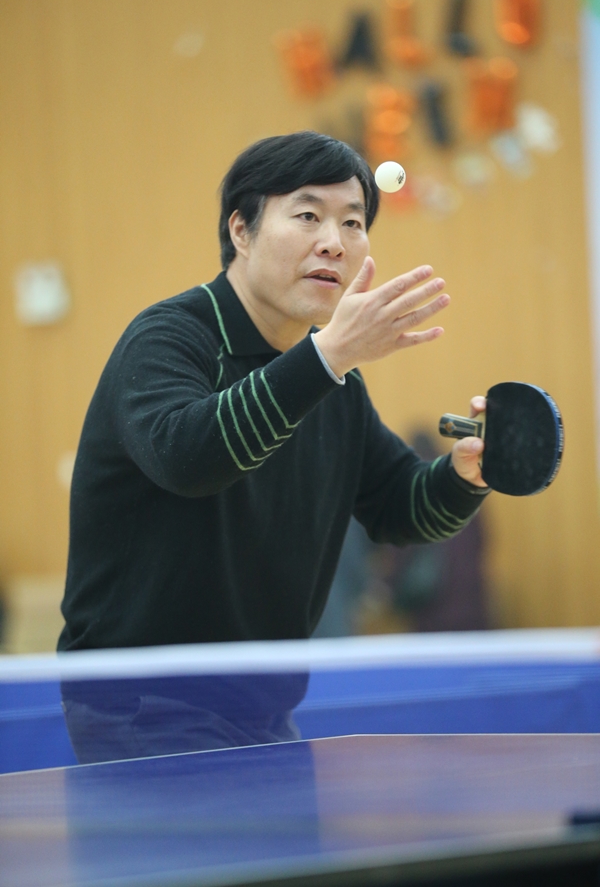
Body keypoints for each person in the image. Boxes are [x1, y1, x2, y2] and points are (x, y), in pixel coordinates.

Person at [58, 131, 489, 759]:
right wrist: (330, 356)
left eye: (353, 222)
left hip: (264, 708)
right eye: (308, 215)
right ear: (242, 230)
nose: (334, 241)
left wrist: (466, 473)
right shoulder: (168, 339)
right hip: (143, 705)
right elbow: (189, 458)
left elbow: (403, 509)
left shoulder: (333, 382)